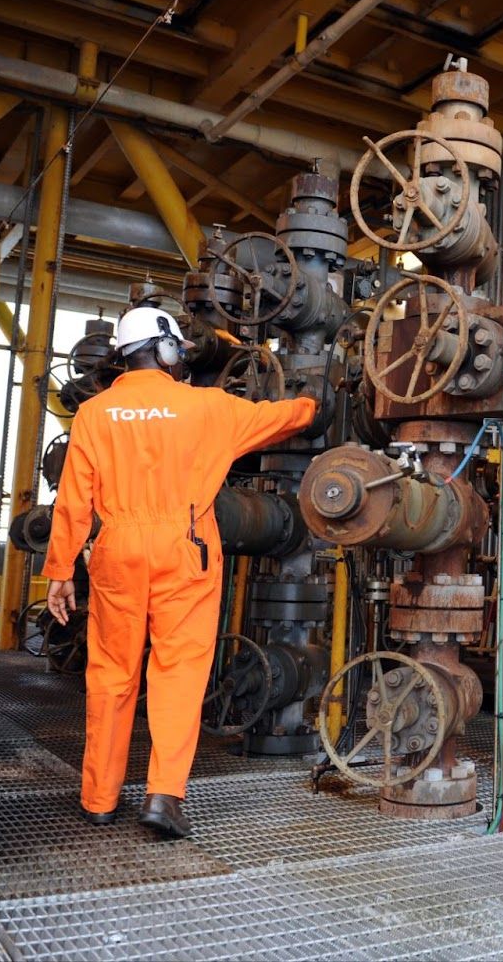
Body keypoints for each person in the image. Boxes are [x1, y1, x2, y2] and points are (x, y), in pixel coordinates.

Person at [42, 307, 320, 838]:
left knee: (111, 674)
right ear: (166, 348)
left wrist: (59, 571)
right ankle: (163, 797)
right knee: (178, 673)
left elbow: (73, 501)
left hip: (117, 548)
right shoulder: (207, 407)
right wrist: (313, 404)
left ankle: (99, 798)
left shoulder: (94, 415)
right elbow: (282, 417)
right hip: (184, 548)